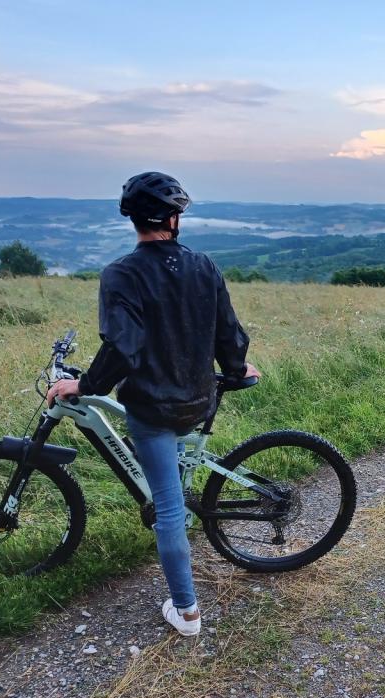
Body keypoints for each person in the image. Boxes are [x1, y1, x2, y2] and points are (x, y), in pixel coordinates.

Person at [47, 171, 260, 637]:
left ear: (133, 220)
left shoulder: (122, 274)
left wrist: (83, 386)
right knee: (168, 487)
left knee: (168, 510)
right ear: (174, 217)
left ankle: (187, 613)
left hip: (153, 408)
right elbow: (229, 332)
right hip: (197, 398)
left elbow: (123, 348)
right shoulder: (204, 265)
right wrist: (238, 366)